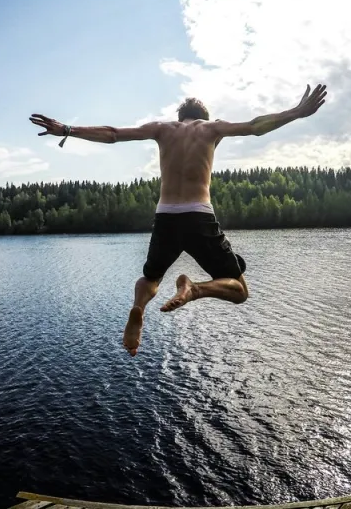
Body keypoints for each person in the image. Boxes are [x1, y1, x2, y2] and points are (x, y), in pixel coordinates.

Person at [30, 83, 327, 356]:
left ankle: (138, 308)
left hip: (166, 216)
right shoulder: (212, 129)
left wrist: (67, 129)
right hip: (199, 215)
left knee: (150, 278)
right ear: (203, 116)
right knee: (239, 290)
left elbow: (113, 134)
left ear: (180, 116)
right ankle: (195, 289)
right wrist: (298, 112)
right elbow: (255, 127)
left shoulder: (162, 129)